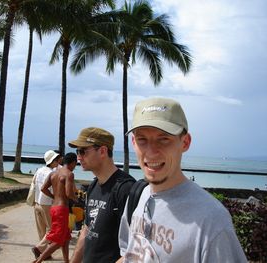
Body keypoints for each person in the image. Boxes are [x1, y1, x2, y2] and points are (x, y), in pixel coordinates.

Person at [117, 97, 247, 262]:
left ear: (185, 142)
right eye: (142, 139)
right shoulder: (138, 195)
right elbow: (128, 255)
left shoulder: (212, 220)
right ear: (134, 142)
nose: (151, 152)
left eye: (164, 139)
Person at [69, 127, 135, 263]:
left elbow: (135, 247)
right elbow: (87, 229)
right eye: (77, 152)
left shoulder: (126, 189)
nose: (78, 157)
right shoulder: (94, 185)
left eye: (83, 151)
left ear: (103, 151)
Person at [32, 152, 78, 263]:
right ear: (73, 163)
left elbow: (43, 188)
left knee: (66, 237)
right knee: (58, 240)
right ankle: (39, 260)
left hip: (54, 207)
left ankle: (66, 260)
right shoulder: (69, 174)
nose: (75, 167)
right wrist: (78, 201)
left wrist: (54, 196)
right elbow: (68, 194)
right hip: (62, 209)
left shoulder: (53, 173)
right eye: (76, 164)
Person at [32, 150, 60, 255]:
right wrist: (53, 196)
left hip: (37, 202)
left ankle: (43, 253)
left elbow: (34, 182)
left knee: (41, 230)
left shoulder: (39, 170)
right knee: (52, 229)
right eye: (56, 160)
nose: (58, 162)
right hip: (47, 203)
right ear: (52, 161)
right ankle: (38, 248)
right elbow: (48, 189)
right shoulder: (51, 173)